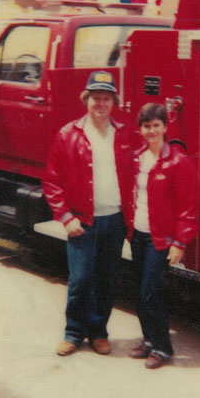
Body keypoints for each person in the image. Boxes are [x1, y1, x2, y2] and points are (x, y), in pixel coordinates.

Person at [42, 71, 132, 357]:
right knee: (80, 280)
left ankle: (98, 332)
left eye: (106, 98)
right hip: (83, 221)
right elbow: (52, 180)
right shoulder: (69, 134)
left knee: (106, 280)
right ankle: (73, 333)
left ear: (113, 102)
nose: (100, 103)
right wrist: (66, 217)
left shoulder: (125, 133)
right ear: (86, 100)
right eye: (95, 98)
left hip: (114, 220)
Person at [128, 103, 198, 369]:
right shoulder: (138, 158)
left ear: (165, 127)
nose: (151, 130)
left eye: (156, 125)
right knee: (139, 291)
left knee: (151, 293)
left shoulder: (178, 162)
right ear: (140, 129)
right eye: (146, 126)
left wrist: (180, 242)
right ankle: (148, 340)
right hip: (138, 235)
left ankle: (162, 347)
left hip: (161, 240)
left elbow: (188, 207)